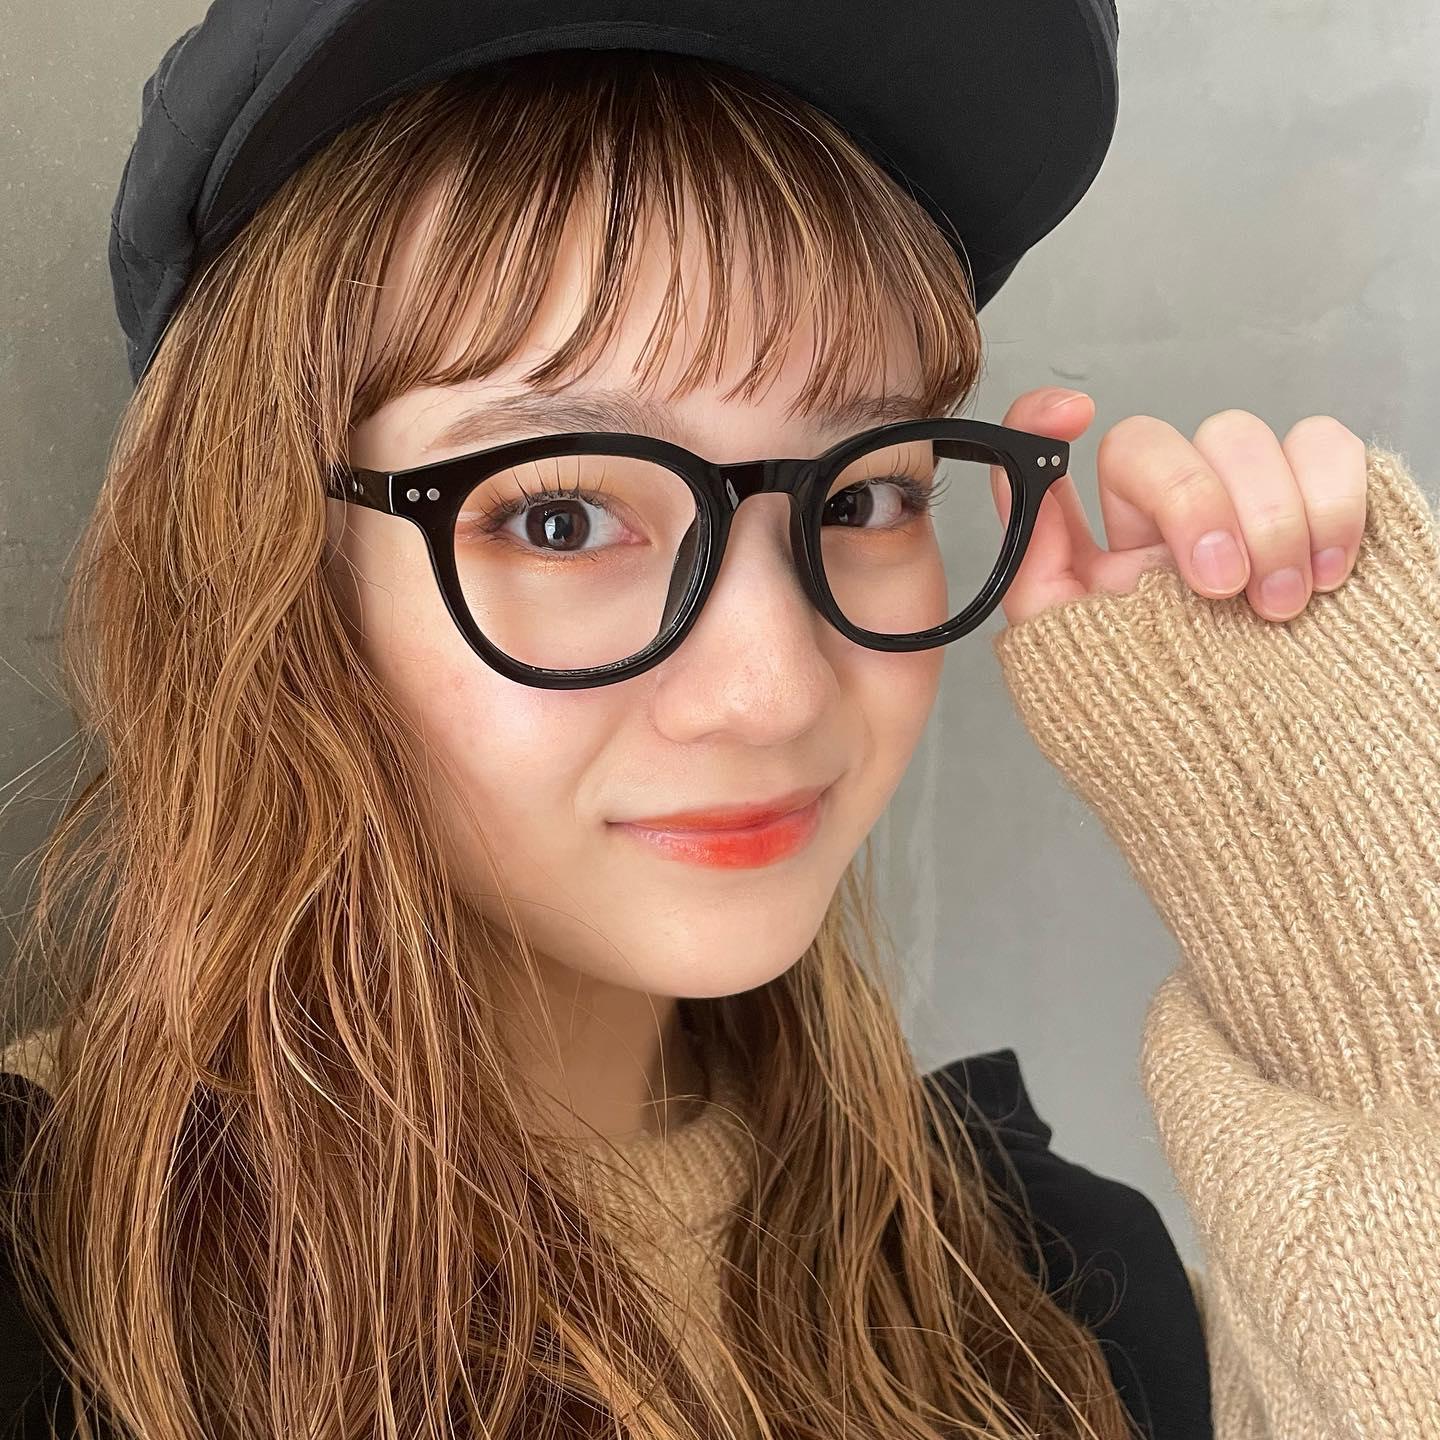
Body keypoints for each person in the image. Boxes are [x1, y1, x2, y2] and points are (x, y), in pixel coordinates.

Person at [2, 16, 1438, 1440]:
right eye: (562, 517)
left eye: (864, 494)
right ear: (264, 566)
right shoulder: (46, 1282)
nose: (777, 691)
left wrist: (1348, 940)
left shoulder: (1055, 1299)